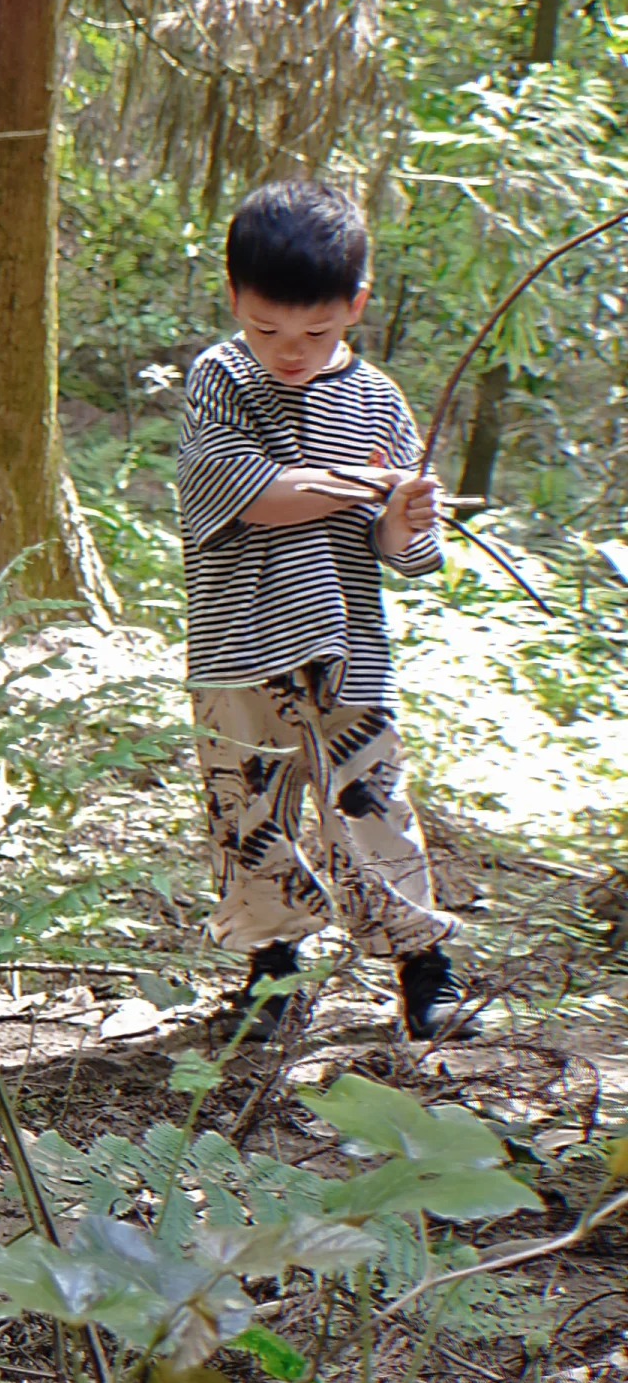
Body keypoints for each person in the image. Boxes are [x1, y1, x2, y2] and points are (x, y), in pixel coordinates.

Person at [177, 178, 470, 1043]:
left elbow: (406, 554)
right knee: (248, 814)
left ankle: (425, 968)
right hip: (238, 648)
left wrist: (404, 515)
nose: (291, 350)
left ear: (356, 305)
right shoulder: (220, 379)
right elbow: (254, 495)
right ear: (233, 298)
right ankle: (271, 977)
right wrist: (367, 484)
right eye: (268, 328)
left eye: (317, 330)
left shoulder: (380, 400)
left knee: (374, 803)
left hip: (350, 648)